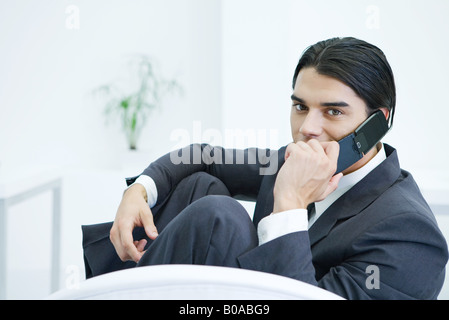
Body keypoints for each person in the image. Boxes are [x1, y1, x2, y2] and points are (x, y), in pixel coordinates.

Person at [82, 37, 448, 299]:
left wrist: (289, 202)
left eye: (333, 112)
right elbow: (204, 155)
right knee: (199, 185)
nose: (308, 129)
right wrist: (139, 190)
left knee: (219, 215)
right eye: (301, 107)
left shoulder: (410, 234)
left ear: (378, 123)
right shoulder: (292, 159)